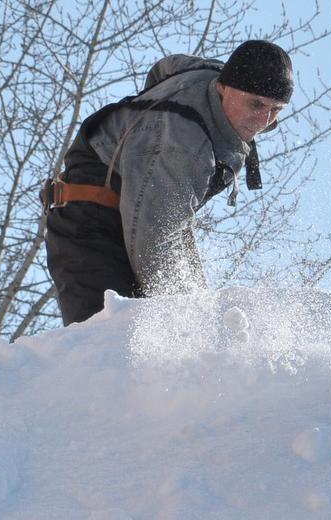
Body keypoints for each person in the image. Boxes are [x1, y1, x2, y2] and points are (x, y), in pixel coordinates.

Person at [42, 40, 293, 325]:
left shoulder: (207, 73)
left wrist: (144, 119)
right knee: (112, 341)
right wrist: (188, 323)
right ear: (224, 88)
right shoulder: (181, 146)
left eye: (276, 110)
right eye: (256, 104)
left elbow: (166, 68)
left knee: (192, 307)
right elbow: (155, 240)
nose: (263, 120)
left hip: (143, 205)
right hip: (90, 226)